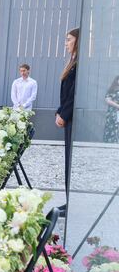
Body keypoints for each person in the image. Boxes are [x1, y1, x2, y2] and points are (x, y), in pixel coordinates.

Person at [56, 28, 79, 214]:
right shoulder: (72, 62)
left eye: (68, 39)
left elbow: (74, 95)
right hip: (67, 116)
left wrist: (64, 114)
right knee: (67, 160)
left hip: (72, 118)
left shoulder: (79, 64)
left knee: (70, 160)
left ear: (77, 41)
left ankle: (71, 202)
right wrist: (59, 111)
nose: (66, 43)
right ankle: (68, 201)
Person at [103, 75, 119, 143]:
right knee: (111, 127)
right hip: (113, 113)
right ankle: (110, 142)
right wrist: (117, 106)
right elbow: (107, 100)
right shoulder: (113, 89)